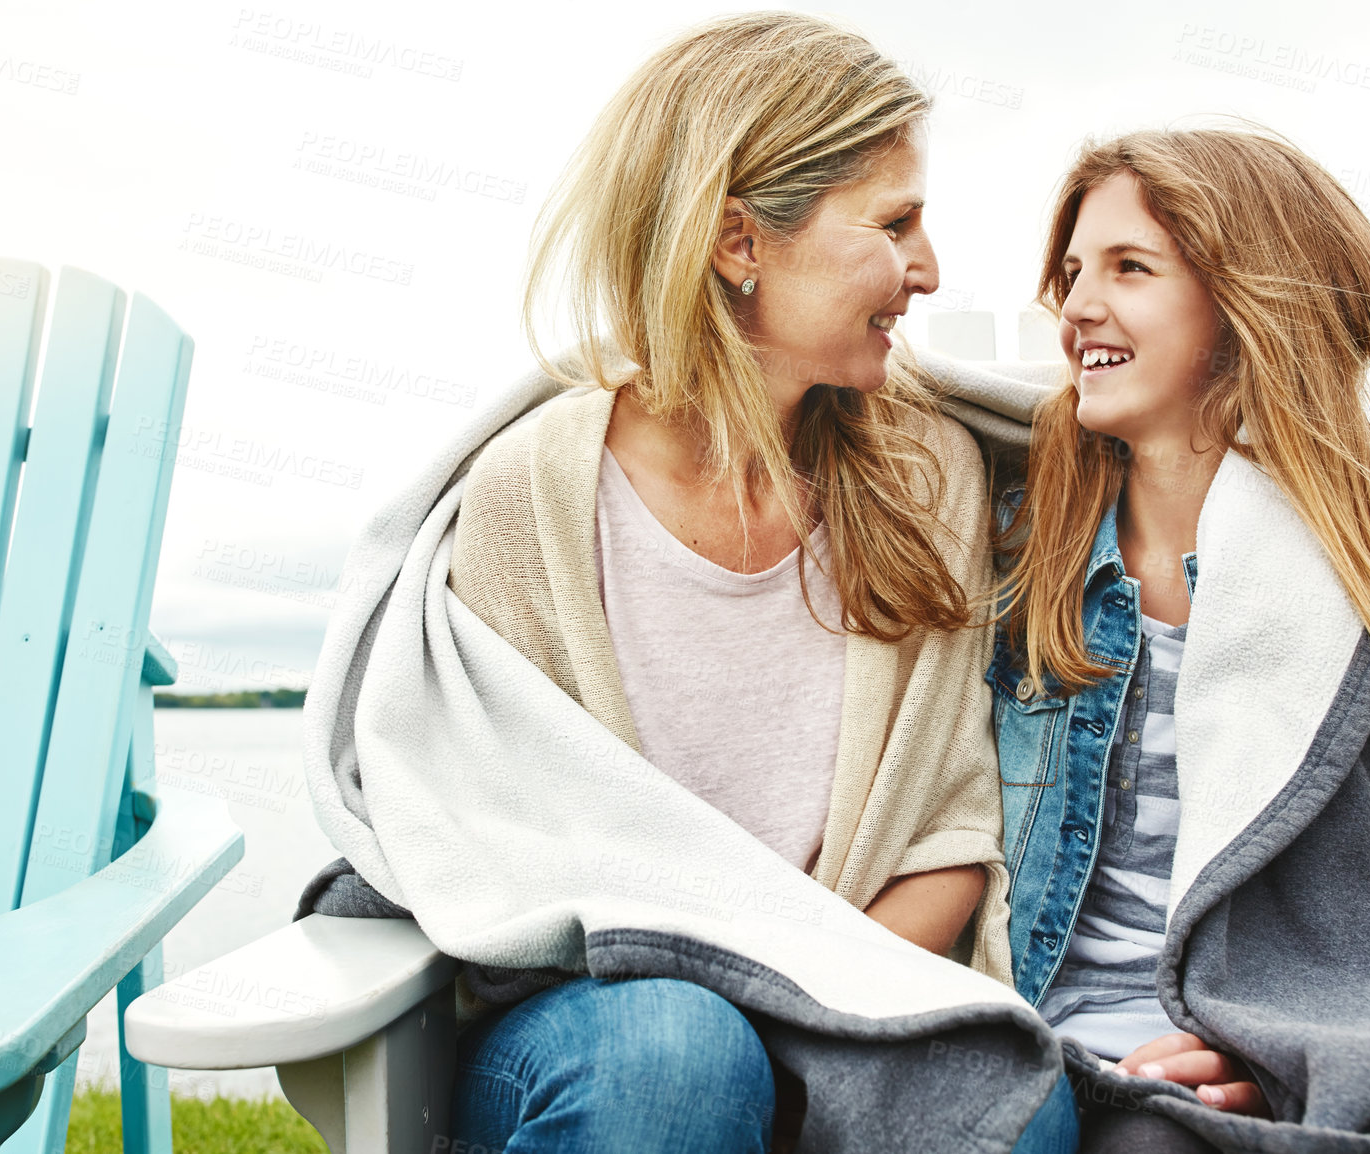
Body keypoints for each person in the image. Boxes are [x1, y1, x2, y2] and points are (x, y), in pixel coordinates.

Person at [297, 12, 1077, 1153]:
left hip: (850, 1001)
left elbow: (943, 837)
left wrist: (798, 1020)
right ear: (736, 242)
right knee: (678, 1056)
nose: (929, 269)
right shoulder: (533, 499)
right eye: (895, 222)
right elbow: (489, 852)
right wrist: (737, 1023)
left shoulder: (925, 475)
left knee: (1001, 1099)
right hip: (586, 1026)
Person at [989, 126, 1370, 1153]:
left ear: (1243, 298)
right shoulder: (1017, 543)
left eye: (1130, 268)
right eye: (1071, 271)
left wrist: (1294, 1040)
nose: (1076, 307)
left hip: (1202, 1071)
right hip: (1004, 1029)